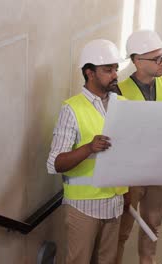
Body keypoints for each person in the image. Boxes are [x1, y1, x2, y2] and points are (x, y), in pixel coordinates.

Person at [46, 39, 128, 264]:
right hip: (83, 206)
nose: (114, 75)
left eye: (115, 69)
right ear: (89, 73)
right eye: (107, 70)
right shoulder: (71, 109)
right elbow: (54, 163)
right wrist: (89, 148)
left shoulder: (122, 103)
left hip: (115, 203)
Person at [115, 30, 162, 264]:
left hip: (160, 172)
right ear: (137, 61)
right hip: (132, 175)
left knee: (153, 229)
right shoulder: (118, 92)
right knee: (121, 231)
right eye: (156, 58)